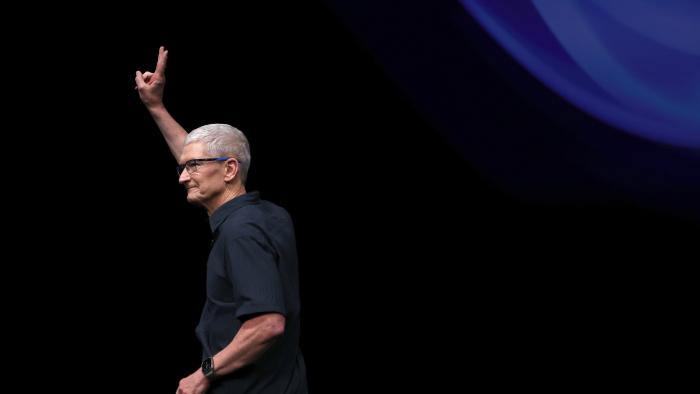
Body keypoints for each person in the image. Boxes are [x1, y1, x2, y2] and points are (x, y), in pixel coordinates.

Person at [135, 47, 308, 394]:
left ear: (229, 169)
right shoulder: (268, 214)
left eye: (192, 168)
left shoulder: (240, 232)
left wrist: (203, 374)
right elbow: (198, 155)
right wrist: (156, 107)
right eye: (184, 167)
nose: (183, 177)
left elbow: (268, 325)